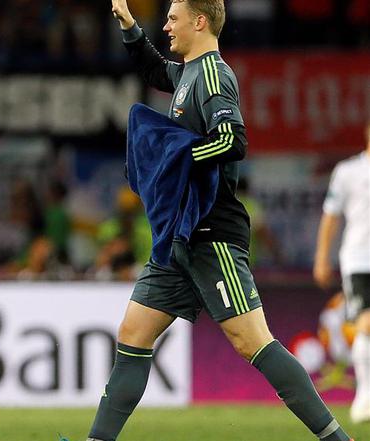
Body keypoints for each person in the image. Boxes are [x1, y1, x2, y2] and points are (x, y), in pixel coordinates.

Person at [82, 2, 354, 441]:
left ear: (200, 21)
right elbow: (155, 71)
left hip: (211, 234)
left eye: (173, 18)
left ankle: (338, 439)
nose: (166, 25)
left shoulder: (213, 74)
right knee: (133, 332)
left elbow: (232, 140)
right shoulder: (188, 73)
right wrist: (129, 25)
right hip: (180, 235)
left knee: (253, 342)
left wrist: (178, 158)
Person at [314, 120, 370, 423]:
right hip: (360, 260)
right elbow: (331, 216)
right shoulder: (348, 172)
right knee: (367, 321)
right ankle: (364, 396)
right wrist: (322, 257)